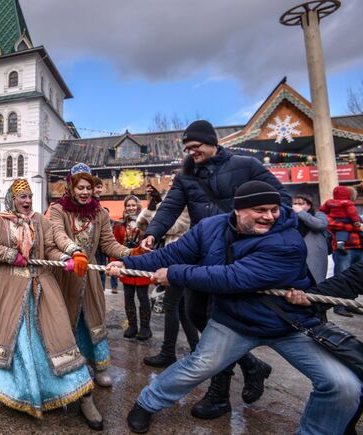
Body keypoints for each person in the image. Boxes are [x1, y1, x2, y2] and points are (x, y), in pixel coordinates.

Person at [107, 180, 362, 434]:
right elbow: (172, 254)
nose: (270, 216)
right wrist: (127, 262)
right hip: (234, 319)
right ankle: (146, 403)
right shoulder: (210, 227)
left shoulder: (288, 242)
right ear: (238, 210)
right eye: (260, 210)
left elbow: (232, 277)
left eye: (273, 209)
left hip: (287, 322)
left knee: (343, 386)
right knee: (197, 366)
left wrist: (174, 274)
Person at [139, 120, 284, 418]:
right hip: (201, 253)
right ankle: (252, 365)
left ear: (212, 143)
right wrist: (153, 232)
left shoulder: (246, 165)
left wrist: (267, 234)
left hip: (237, 256)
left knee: (220, 321)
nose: (192, 153)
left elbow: (279, 197)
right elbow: (170, 207)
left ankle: (219, 395)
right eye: (187, 149)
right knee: (194, 313)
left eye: (196, 147)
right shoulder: (185, 177)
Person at [0, 178, 102, 429]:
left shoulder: (40, 221)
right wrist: (11, 255)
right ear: (12, 199)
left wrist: (69, 256)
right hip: (11, 294)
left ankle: (82, 395)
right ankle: (23, 393)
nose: (27, 201)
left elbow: (51, 247)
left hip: (42, 288)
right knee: (20, 346)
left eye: (29, 197)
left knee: (60, 339)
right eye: (22, 197)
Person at [48, 163, 134, 389]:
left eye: (89, 187)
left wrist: (131, 253)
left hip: (91, 274)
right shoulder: (58, 209)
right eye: (80, 187)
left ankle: (99, 365)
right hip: (67, 271)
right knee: (68, 319)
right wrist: (74, 252)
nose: (85, 192)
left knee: (94, 317)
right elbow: (57, 234)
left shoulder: (100, 213)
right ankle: (74, 366)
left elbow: (108, 243)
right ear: (71, 187)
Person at [137, 183, 199, 367]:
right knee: (182, 308)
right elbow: (143, 222)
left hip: (182, 257)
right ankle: (197, 350)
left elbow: (170, 226)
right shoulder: (172, 201)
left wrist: (159, 209)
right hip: (174, 256)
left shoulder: (189, 203)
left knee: (172, 306)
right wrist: (152, 205)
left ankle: (168, 352)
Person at [114, 194, 153, 340]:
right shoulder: (120, 225)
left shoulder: (146, 224)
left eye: (133, 205)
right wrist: (114, 262)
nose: (131, 208)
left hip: (142, 264)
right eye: (128, 206)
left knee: (143, 297)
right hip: (126, 264)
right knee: (128, 297)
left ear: (138, 206)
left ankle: (145, 328)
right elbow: (115, 245)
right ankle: (132, 326)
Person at [326, 200, 363, 318]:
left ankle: (351, 304)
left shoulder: (354, 213)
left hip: (359, 247)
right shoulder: (333, 214)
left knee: (356, 278)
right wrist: (355, 226)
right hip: (344, 249)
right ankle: (339, 306)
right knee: (342, 277)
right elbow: (330, 224)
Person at [318, 186, 360, 255]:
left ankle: (340, 243)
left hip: (358, 248)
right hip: (347, 249)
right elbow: (353, 214)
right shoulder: (348, 204)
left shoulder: (329, 202)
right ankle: (340, 244)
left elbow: (322, 209)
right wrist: (357, 225)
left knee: (342, 232)